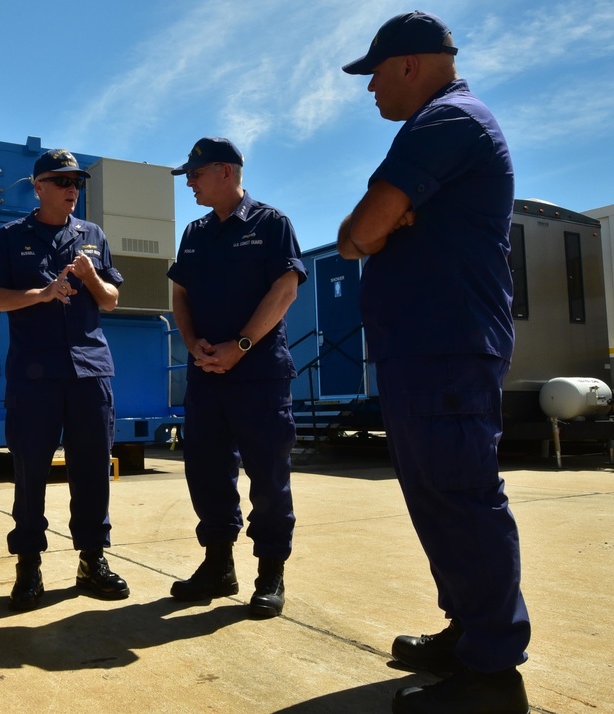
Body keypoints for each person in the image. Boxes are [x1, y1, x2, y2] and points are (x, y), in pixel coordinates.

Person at [338, 11, 531, 713]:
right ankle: (469, 631)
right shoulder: (440, 127)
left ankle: (492, 676)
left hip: (447, 344)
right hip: (423, 347)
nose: (371, 91)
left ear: (411, 65)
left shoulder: (449, 122)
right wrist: (382, 227)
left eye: (376, 75)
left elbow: (359, 232)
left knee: (460, 496)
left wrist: (377, 228)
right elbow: (370, 231)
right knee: (436, 499)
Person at [0, 148, 129, 611]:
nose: (71, 190)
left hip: (89, 371)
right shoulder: (10, 237)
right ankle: (28, 566)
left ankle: (92, 560)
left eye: (77, 184)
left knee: (92, 470)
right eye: (61, 182)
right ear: (38, 186)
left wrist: (91, 278)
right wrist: (42, 294)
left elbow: (111, 300)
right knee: (31, 472)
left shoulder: (92, 236)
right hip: (34, 375)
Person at [166, 137, 305, 619]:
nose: (189, 184)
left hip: (259, 376)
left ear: (226, 172)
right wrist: (190, 342)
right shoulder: (195, 232)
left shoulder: (272, 225)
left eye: (196, 175)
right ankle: (218, 567)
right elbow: (179, 294)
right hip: (206, 374)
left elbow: (285, 291)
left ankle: (270, 574)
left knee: (268, 475)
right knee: (205, 472)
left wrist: (240, 346)